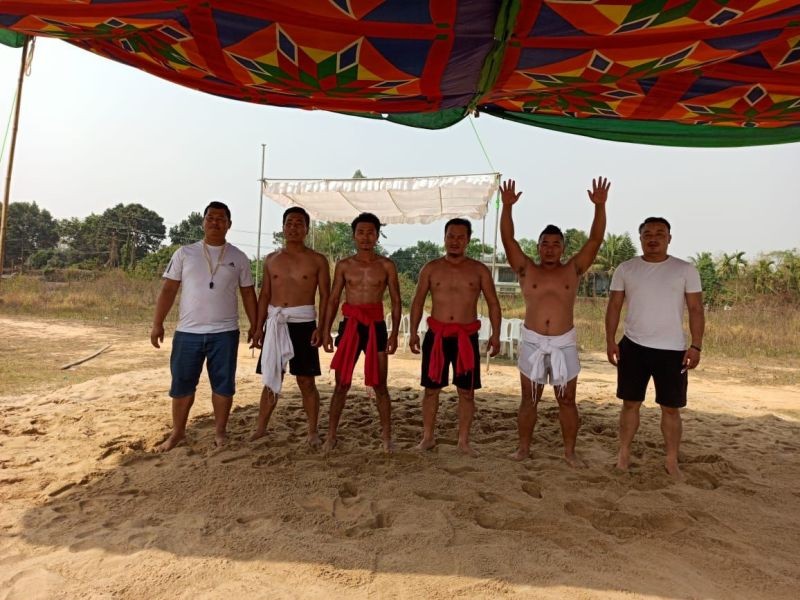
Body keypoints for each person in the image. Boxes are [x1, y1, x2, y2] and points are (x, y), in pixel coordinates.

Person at [499, 177, 610, 465]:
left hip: (563, 342)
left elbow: (595, 240)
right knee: (529, 399)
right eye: (545, 244)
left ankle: (569, 452)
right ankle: (523, 448)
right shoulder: (525, 269)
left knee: (567, 400)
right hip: (534, 341)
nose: (550, 248)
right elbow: (508, 240)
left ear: (563, 248)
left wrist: (600, 206)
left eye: (555, 244)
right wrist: (507, 208)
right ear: (537, 247)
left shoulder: (573, 269)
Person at [150, 201, 257, 451]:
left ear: (229, 225)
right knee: (181, 384)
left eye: (221, 218)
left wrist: (256, 325)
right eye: (210, 218)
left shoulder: (238, 257)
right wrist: (157, 323)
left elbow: (249, 294)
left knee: (223, 384)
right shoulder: (184, 253)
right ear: (203, 222)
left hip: (225, 333)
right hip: (188, 333)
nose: (215, 222)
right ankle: (177, 433)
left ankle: (220, 432)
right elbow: (168, 289)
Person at [605, 216, 704, 480]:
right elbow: (614, 306)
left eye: (660, 233)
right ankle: (623, 453)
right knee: (630, 403)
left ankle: (671, 460)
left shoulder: (685, 270)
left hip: (672, 350)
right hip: (633, 346)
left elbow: (696, 309)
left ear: (669, 238)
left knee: (671, 408)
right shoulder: (626, 268)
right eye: (647, 233)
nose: (653, 238)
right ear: (640, 238)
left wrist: (696, 345)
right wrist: (609, 339)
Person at [409, 218, 501, 457]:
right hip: (436, 335)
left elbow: (493, 302)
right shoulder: (431, 268)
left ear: (468, 240)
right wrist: (412, 333)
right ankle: (428, 437)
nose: (455, 242)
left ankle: (463, 441)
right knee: (431, 390)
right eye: (451, 236)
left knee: (466, 391)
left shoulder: (479, 270)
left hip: (465, 337)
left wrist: (496, 334)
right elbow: (418, 301)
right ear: (444, 237)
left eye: (461, 237)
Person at [321, 212, 401, 453]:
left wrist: (395, 333)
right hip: (350, 325)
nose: (365, 237)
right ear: (354, 235)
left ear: (377, 235)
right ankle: (331, 435)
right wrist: (325, 330)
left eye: (370, 232)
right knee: (341, 384)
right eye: (361, 232)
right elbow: (334, 299)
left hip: (376, 325)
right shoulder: (345, 265)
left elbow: (397, 301)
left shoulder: (386, 265)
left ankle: (387, 437)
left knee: (380, 385)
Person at [250, 207, 330, 447]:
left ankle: (313, 430)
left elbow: (326, 296)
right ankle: (261, 427)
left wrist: (323, 328)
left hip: (304, 323)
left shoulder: (317, 260)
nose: (293, 227)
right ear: (283, 227)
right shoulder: (272, 259)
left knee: (306, 380)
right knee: (271, 376)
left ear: (306, 229)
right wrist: (258, 327)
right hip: (275, 322)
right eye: (289, 223)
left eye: (299, 223)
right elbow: (264, 295)